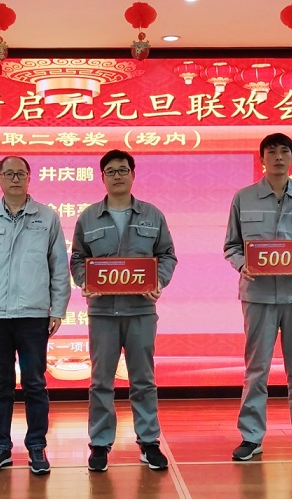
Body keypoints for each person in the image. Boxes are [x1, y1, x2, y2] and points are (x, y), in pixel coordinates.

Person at [223, 133, 292, 463]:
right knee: (257, 370)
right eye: (272, 152)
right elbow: (232, 245)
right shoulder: (244, 197)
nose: (279, 157)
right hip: (258, 296)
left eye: (285, 151)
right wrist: (242, 265)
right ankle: (251, 437)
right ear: (262, 159)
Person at [0, 156, 71, 476]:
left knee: (35, 383)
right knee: (0, 384)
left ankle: (37, 446)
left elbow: (59, 267)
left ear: (29, 178)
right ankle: (1, 447)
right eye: (8, 174)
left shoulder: (47, 217)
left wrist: (58, 309)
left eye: (20, 174)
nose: (14, 179)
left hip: (34, 314)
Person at [70, 149, 178, 472]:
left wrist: (158, 280)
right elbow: (78, 259)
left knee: (143, 379)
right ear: (102, 177)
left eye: (122, 170)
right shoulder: (88, 217)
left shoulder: (152, 215)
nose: (117, 176)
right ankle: (100, 443)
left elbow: (167, 255)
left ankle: (149, 442)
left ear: (133, 174)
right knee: (101, 381)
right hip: (102, 312)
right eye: (111, 171)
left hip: (141, 310)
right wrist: (84, 281)